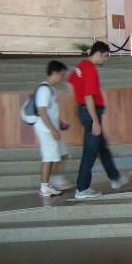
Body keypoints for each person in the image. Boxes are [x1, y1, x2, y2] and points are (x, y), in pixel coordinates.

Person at [67, 41, 129, 199]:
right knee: (90, 151)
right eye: (106, 56)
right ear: (98, 54)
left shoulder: (80, 66)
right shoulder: (90, 69)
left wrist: (79, 106)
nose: (106, 60)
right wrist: (94, 120)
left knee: (102, 147)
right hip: (91, 112)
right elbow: (88, 96)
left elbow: (71, 83)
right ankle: (82, 188)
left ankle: (115, 177)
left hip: (85, 110)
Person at [34, 60, 74, 197]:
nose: (62, 78)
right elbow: (42, 112)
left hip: (51, 129)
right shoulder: (44, 90)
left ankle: (48, 184)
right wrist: (53, 130)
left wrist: (59, 123)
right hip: (46, 130)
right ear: (55, 73)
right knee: (48, 157)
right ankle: (44, 187)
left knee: (53, 156)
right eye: (62, 75)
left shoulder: (51, 90)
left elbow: (51, 112)